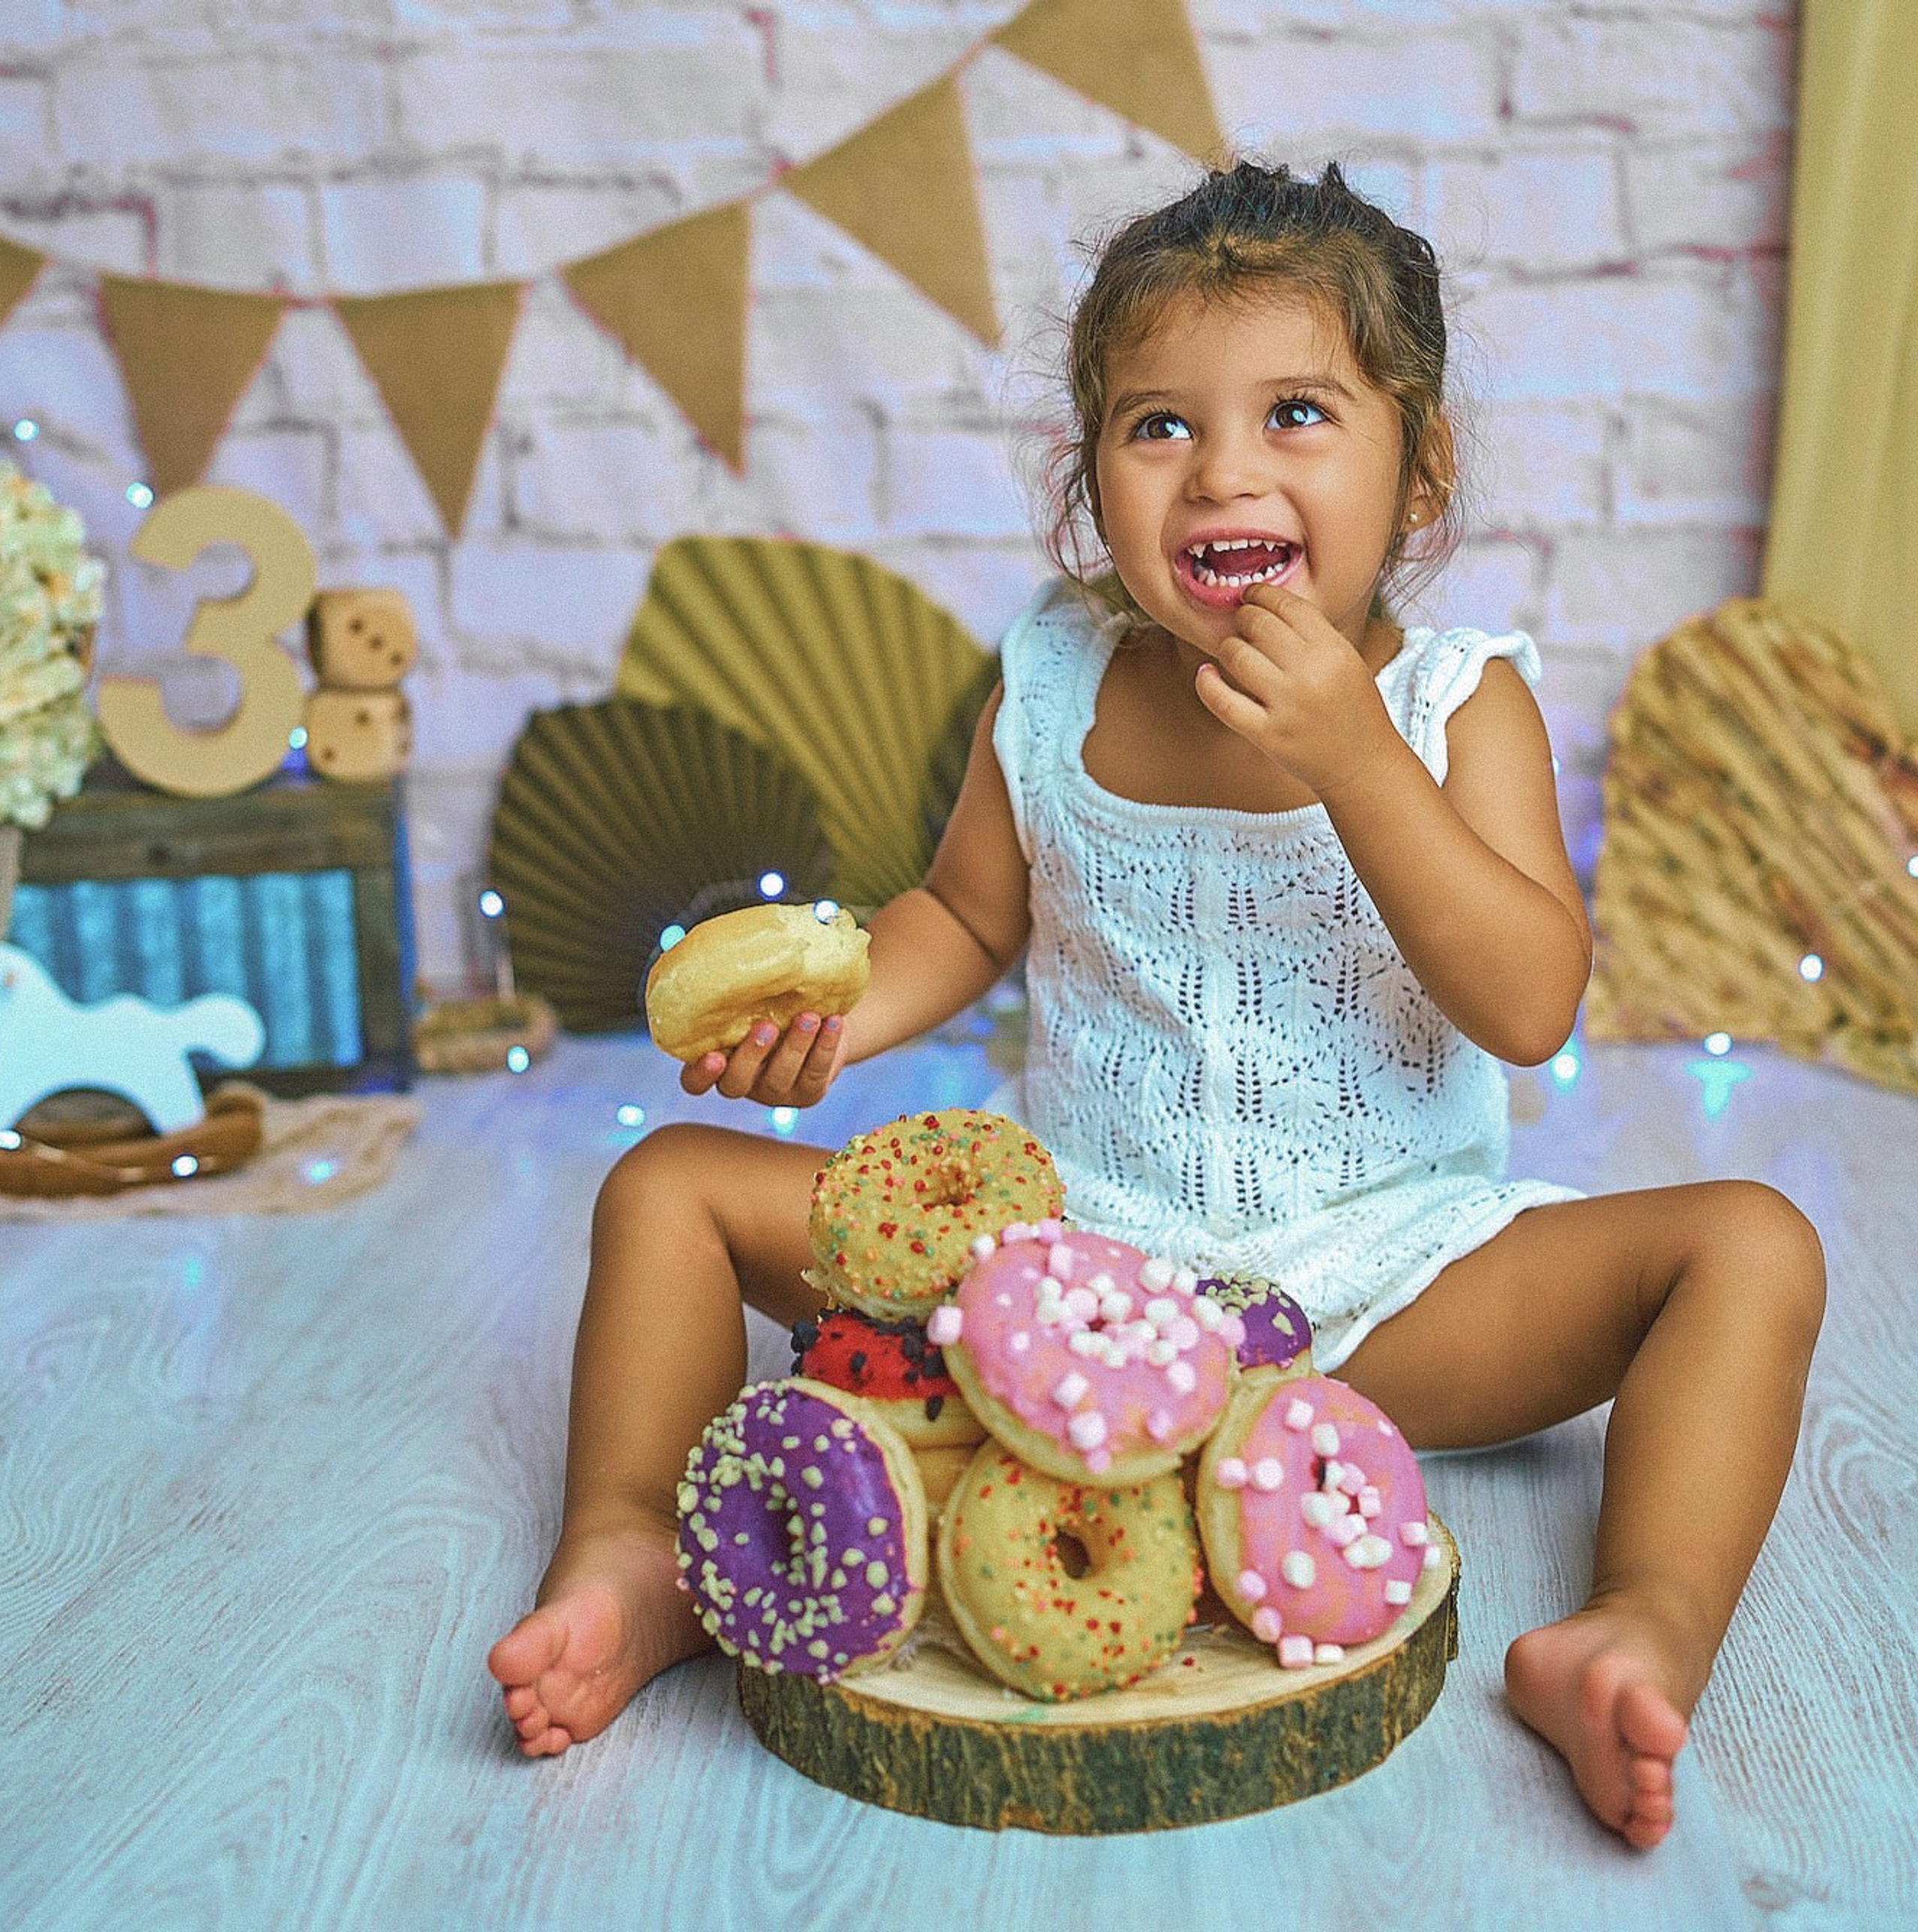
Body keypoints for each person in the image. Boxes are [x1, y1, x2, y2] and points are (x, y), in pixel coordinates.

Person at [488, 159, 1824, 1850]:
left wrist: (1355, 760)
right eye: (1157, 425)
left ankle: (1635, 1623)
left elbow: (1530, 1000)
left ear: (1419, 470)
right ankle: (631, 1546)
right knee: (668, 1183)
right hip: (1066, 1277)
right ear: (1089, 482)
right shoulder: (1055, 680)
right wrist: (841, 1018)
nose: (1223, 470)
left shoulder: (1451, 702)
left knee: (1750, 1244)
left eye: (1295, 412)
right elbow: (962, 915)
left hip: (1387, 1288)